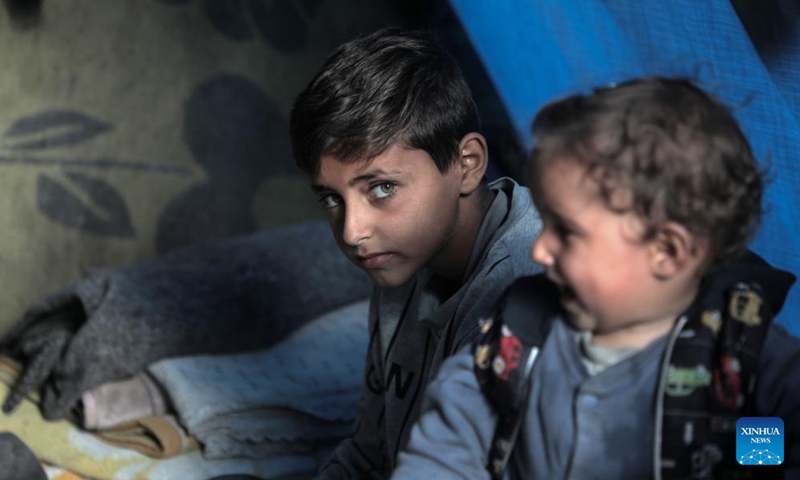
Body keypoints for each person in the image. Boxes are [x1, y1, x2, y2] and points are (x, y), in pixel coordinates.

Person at [392, 77, 800, 479]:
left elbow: (782, 443)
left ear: (666, 252)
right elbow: (454, 437)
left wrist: (747, 458)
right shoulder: (521, 330)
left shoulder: (744, 359)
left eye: (566, 232)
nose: (539, 249)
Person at [288, 27, 543, 478]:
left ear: (467, 165)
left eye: (382, 188)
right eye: (331, 198)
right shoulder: (399, 261)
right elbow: (370, 454)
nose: (353, 231)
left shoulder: (524, 294)